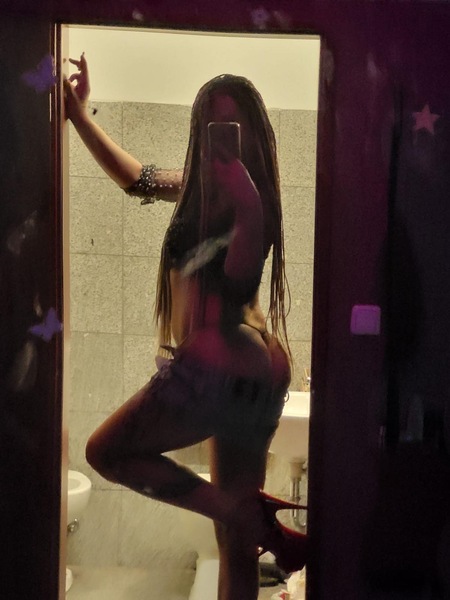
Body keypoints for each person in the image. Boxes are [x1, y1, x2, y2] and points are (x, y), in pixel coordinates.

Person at [64, 53, 307, 600]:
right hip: (257, 369)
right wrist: (79, 114)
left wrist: (246, 202)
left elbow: (238, 280)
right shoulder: (196, 189)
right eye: (211, 125)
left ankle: (242, 513)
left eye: (233, 125)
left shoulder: (254, 204)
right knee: (234, 545)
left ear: (253, 135)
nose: (221, 137)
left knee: (106, 452)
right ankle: (251, 520)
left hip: (223, 361)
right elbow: (136, 178)